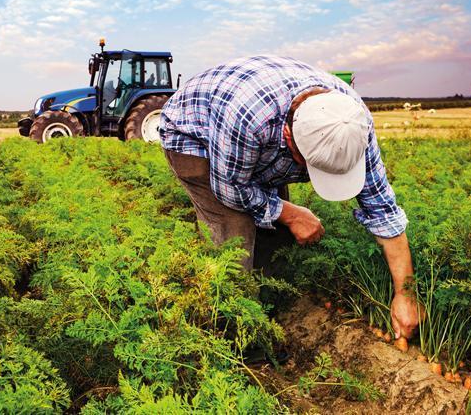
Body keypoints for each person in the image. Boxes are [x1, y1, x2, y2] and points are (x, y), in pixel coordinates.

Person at [159, 55, 421, 340]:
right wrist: (293, 214)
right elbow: (231, 189)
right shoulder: (249, 118)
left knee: (275, 231)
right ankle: (234, 334)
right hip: (195, 136)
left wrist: (405, 294)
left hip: (253, 139)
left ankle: (272, 308)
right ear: (288, 136)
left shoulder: (352, 123)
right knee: (234, 235)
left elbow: (383, 210)